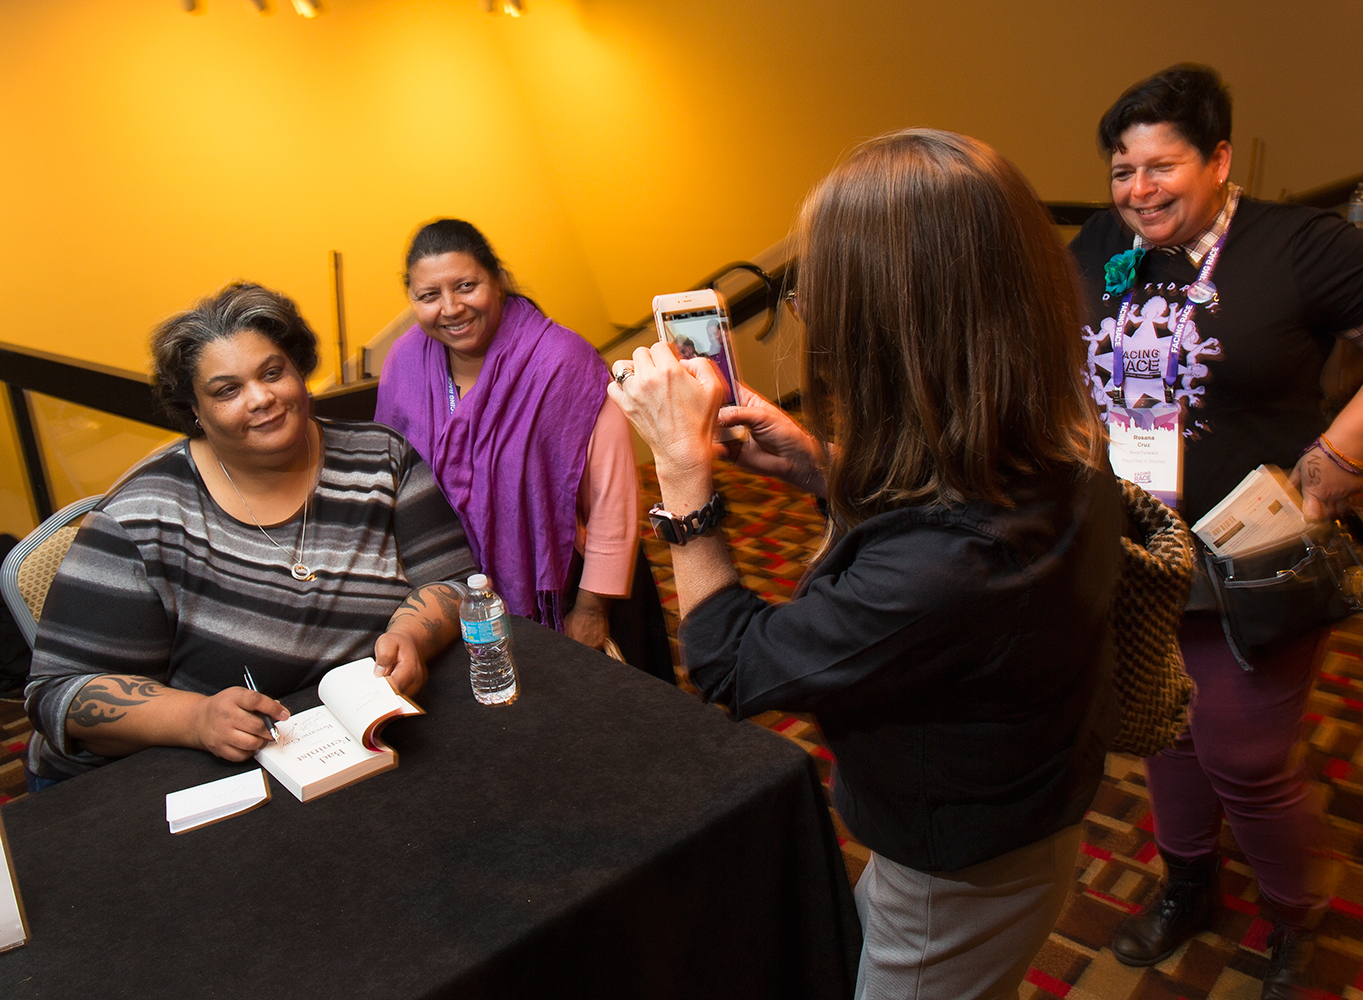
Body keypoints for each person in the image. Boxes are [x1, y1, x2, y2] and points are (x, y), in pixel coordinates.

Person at [610, 128, 1121, 1000]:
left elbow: (735, 666)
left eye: (824, 289)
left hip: (963, 863)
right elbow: (945, 507)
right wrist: (822, 465)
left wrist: (685, 481)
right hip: (1006, 809)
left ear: (895, 326)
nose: (807, 308)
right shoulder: (1056, 441)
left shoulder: (951, 566)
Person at [1069, 64, 1363, 999]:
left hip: (1258, 550)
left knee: (1247, 755)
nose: (1137, 190)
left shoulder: (1297, 243)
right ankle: (1188, 887)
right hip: (1140, 543)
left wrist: (1344, 449)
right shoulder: (1105, 241)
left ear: (1219, 160)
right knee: (1164, 728)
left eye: (1161, 166)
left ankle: (1294, 915)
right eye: (1121, 170)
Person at [24, 283, 477, 789]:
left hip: (368, 745)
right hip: (193, 779)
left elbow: (457, 583)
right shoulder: (141, 516)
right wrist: (194, 719)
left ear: (298, 370)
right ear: (193, 408)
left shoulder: (382, 458)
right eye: (227, 390)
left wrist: (413, 635)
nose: (261, 398)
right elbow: (59, 695)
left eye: (272, 372)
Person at [374, 220, 671, 680]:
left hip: (565, 589)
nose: (450, 309)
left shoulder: (563, 362)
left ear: (498, 280)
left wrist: (592, 610)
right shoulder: (405, 360)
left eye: (466, 286)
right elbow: (387, 471)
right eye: (428, 296)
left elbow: (613, 499)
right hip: (447, 599)